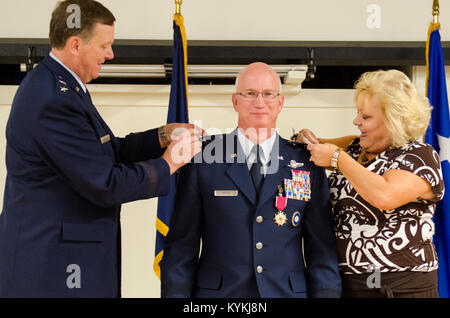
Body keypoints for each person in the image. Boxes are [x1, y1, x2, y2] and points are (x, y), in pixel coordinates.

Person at [0, 0, 202, 297]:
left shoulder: (59, 85)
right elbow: (105, 183)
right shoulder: (53, 99)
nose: (111, 54)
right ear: (75, 45)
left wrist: (159, 136)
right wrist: (168, 164)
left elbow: (101, 152)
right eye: (104, 45)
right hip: (55, 271)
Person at [160, 62, 341, 298]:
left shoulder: (306, 161)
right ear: (235, 101)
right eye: (250, 94)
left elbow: (322, 250)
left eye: (268, 94)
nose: (260, 102)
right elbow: (181, 249)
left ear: (280, 102)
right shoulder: (204, 158)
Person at [295, 69, 444, 298]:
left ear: (393, 119)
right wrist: (303, 138)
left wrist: (338, 159)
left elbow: (384, 196)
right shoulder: (355, 147)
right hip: (349, 284)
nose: (356, 121)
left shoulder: (420, 156)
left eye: (365, 117)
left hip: (402, 286)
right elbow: (314, 146)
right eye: (358, 114)